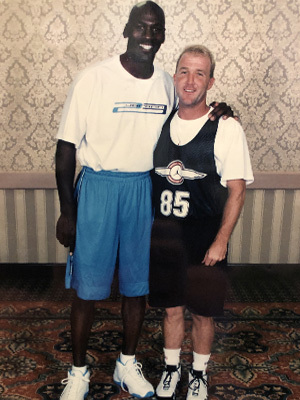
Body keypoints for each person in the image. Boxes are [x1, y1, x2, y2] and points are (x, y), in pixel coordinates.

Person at [55, 2, 234, 399]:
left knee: (137, 287)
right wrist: (68, 211)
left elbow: (190, 114)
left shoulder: (167, 84)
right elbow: (66, 149)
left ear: (164, 36)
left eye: (156, 29)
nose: (148, 36)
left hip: (143, 191)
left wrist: (219, 111)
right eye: (141, 27)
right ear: (127, 29)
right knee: (87, 288)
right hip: (99, 188)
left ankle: (126, 364)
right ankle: (79, 371)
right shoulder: (93, 78)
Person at [149, 44, 254, 400]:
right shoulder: (159, 121)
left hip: (205, 234)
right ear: (174, 76)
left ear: (211, 80)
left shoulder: (225, 127)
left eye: (199, 73)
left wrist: (222, 240)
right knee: (171, 309)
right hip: (165, 234)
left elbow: (237, 192)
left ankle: (198, 374)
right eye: (183, 71)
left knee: (203, 313)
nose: (190, 80)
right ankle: (170, 369)